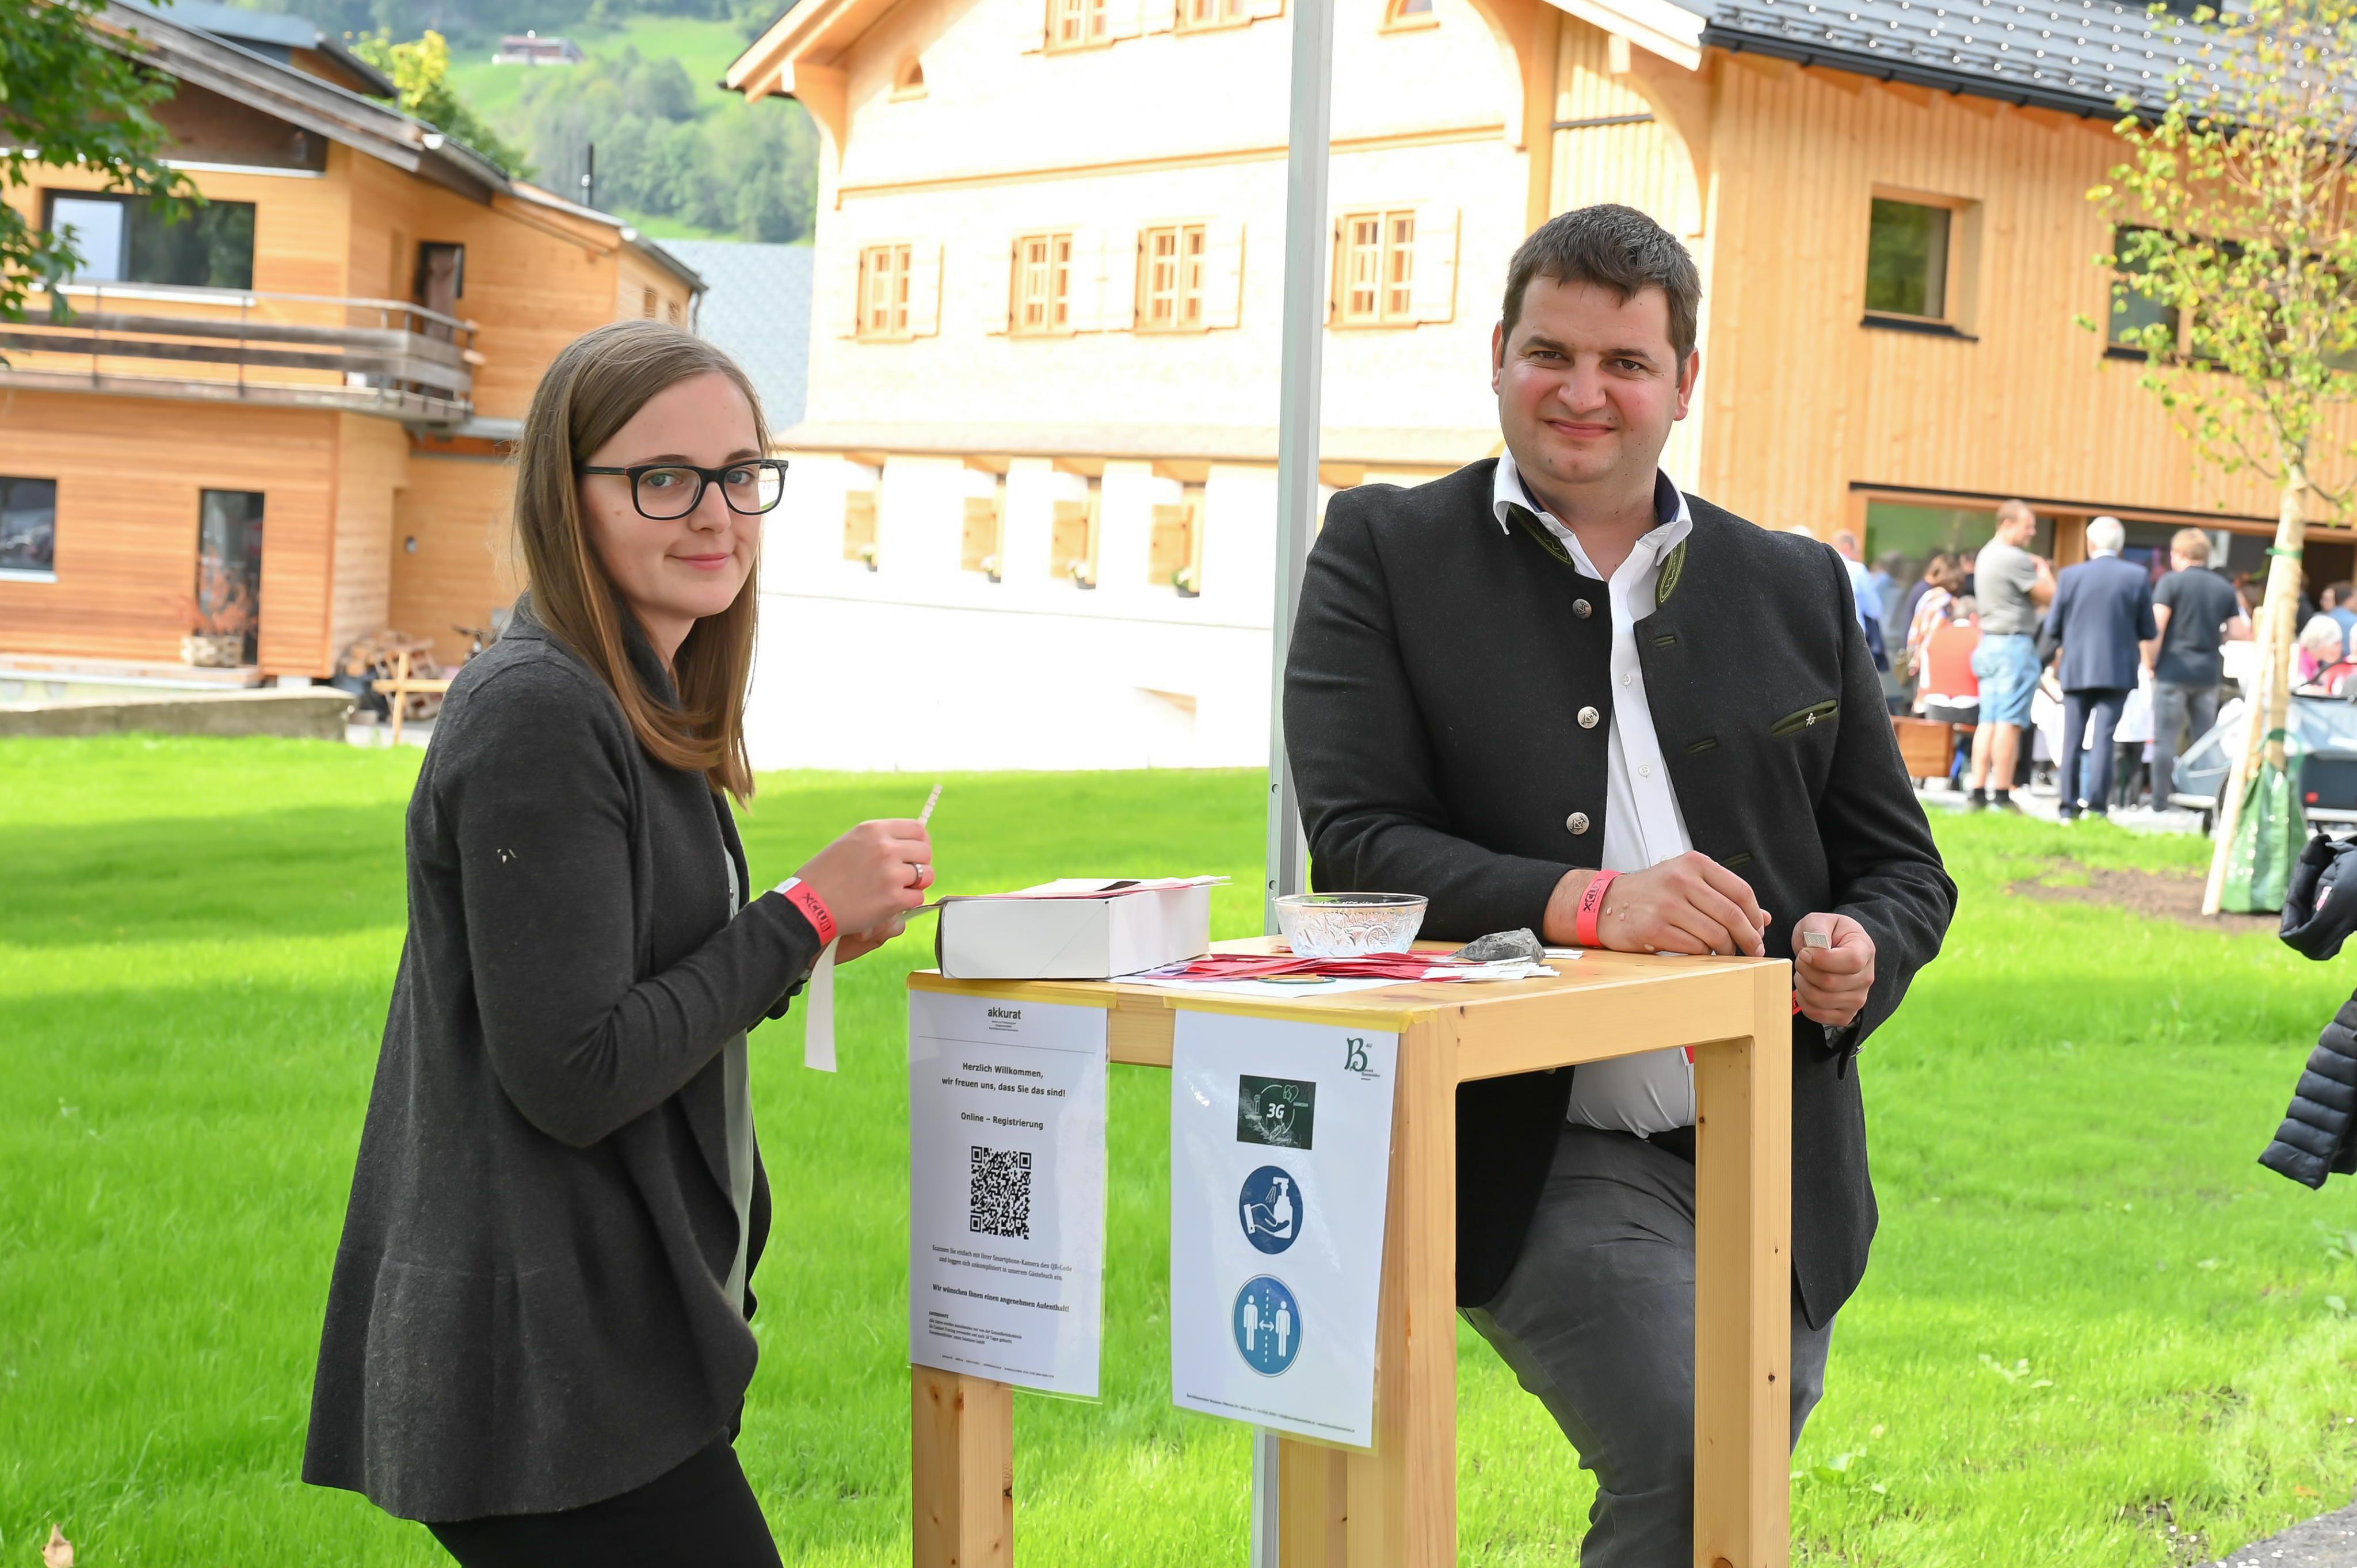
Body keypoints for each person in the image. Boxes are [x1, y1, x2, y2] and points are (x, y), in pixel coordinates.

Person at [1282, 204, 1956, 1568]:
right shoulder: (1383, 547)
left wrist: (1857, 951)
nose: (1581, 392)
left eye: (1625, 363)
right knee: (1694, 1454)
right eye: (1550, 352)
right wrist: (1590, 902)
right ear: (1498, 353)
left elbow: (1901, 865)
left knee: (1724, 1489)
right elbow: (1356, 839)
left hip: (1778, 1146)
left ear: (1682, 381)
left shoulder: (1795, 583)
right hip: (1533, 1141)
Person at [302, 321, 935, 1568]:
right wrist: (799, 915)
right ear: (568, 495)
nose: (715, 515)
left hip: (595, 1348)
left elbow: (618, 982)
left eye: (740, 474)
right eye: (662, 478)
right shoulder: (540, 712)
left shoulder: (629, 695)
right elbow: (575, 1070)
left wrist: (800, 947)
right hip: (540, 1374)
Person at [2043, 516, 2156, 821]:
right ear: (2120, 545)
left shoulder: (2070, 576)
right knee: (2105, 738)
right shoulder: (2136, 577)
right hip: (2117, 670)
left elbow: (2053, 627)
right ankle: (2097, 807)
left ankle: (2067, 807)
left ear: (2090, 542)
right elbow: (2149, 629)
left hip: (2077, 668)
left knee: (2072, 738)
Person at [2147, 528, 2251, 810]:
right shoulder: (2223, 588)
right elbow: (2239, 631)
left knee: (2165, 739)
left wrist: (2150, 661)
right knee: (2203, 739)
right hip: (2207, 672)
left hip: (2173, 669)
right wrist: (2217, 635)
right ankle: (2202, 799)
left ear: (2179, 554)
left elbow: (2158, 626)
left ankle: (2160, 801)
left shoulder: (2171, 583)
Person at [1964, 501, 2055, 811]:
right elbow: (2051, 597)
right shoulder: (2014, 558)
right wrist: (2044, 571)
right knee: (2010, 722)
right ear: (2007, 524)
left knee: (1988, 720)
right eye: (2027, 526)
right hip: (2013, 646)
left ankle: (1978, 789)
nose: (2033, 532)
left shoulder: (1986, 554)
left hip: (1989, 642)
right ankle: (2002, 793)